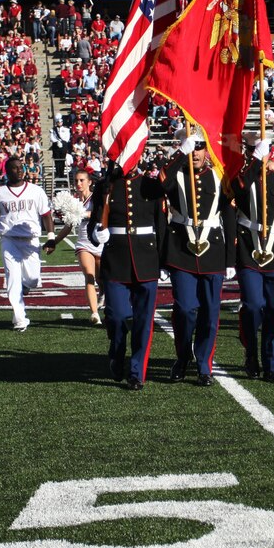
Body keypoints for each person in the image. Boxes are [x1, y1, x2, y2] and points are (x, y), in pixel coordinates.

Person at [161, 129, 235, 387]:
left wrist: (230, 259)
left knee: (210, 312)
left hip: (213, 249)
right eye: (192, 146)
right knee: (184, 308)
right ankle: (183, 356)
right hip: (182, 248)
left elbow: (229, 216)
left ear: (207, 150)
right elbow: (161, 183)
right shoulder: (177, 175)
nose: (196, 152)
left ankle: (204, 364)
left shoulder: (220, 176)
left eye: (200, 147)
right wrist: (180, 153)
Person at [89, 161, 167, 391]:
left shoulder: (151, 185)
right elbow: (94, 221)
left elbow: (161, 225)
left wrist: (163, 261)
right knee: (117, 316)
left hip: (147, 259)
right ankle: (117, 351)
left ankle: (136, 372)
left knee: (144, 321)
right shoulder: (106, 186)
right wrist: (97, 233)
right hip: (116, 260)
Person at [232, 132, 274, 382]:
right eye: (252, 150)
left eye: (261, 149)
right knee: (252, 306)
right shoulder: (242, 177)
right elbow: (236, 192)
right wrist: (254, 163)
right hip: (248, 249)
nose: (257, 154)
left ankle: (271, 363)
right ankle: (251, 354)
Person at [0, 156, 54, 333]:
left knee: (33, 279)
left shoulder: (36, 190)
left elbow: (46, 214)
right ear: (7, 172)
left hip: (31, 239)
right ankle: (19, 318)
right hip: (9, 240)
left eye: (21, 167)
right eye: (15, 168)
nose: (20, 170)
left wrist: (52, 236)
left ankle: (26, 286)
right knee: (12, 279)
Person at [48, 169, 103, 324]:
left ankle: (103, 293)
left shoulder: (97, 198)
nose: (78, 184)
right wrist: (54, 242)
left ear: (90, 182)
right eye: (76, 181)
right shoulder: (74, 202)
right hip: (84, 243)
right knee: (89, 276)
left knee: (102, 279)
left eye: (82, 180)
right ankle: (94, 313)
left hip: (100, 241)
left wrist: (84, 214)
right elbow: (68, 226)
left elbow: (101, 213)